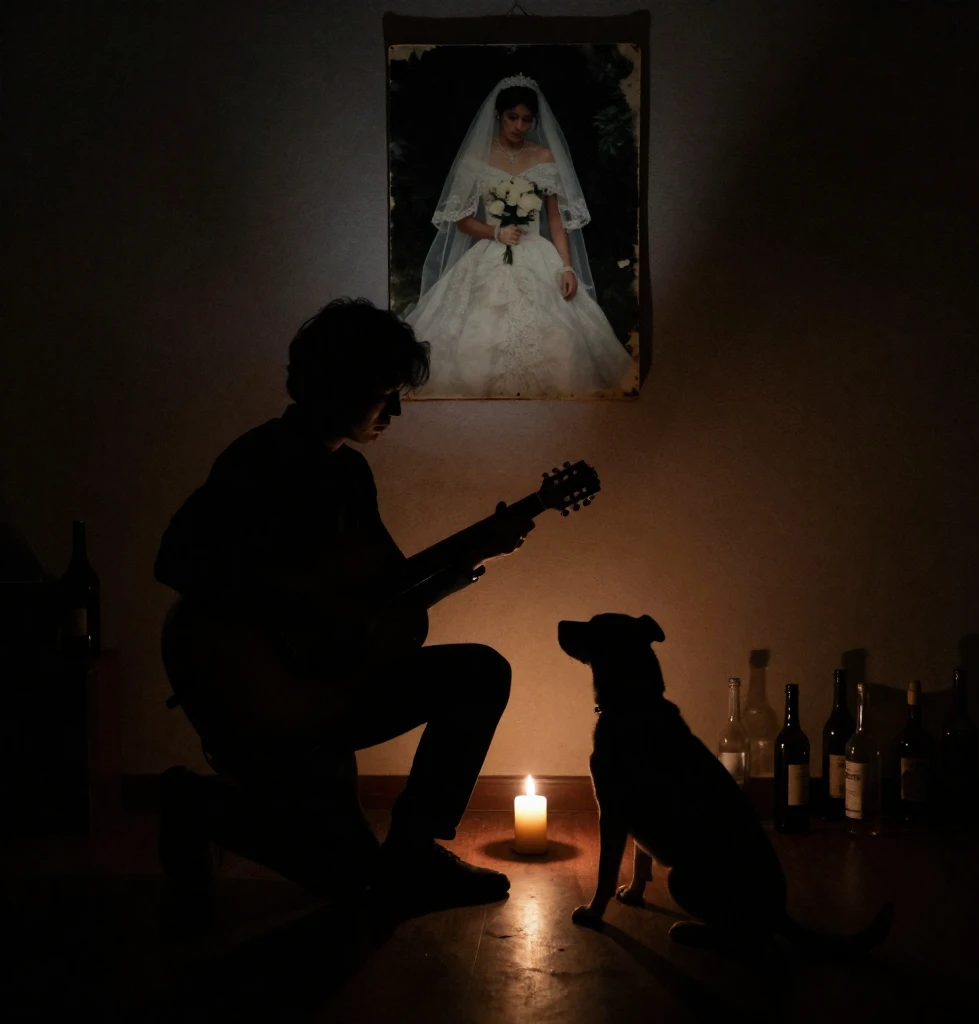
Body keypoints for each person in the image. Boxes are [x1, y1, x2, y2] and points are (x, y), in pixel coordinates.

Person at [154, 297, 535, 912]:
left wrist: (475, 555)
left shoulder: (350, 475)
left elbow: (384, 598)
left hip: (329, 688)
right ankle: (194, 801)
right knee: (353, 882)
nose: (396, 411)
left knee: (481, 671)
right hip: (262, 699)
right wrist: (295, 611)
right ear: (341, 385)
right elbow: (174, 560)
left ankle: (413, 852)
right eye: (386, 394)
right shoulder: (257, 462)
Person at [404, 74, 637, 399]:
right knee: (480, 332)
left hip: (537, 253)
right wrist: (495, 232)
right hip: (491, 250)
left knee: (558, 334)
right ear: (499, 115)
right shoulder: (478, 157)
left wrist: (566, 267)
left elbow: (555, 220)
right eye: (513, 117)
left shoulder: (543, 157)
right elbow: (461, 220)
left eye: (527, 119)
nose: (519, 125)